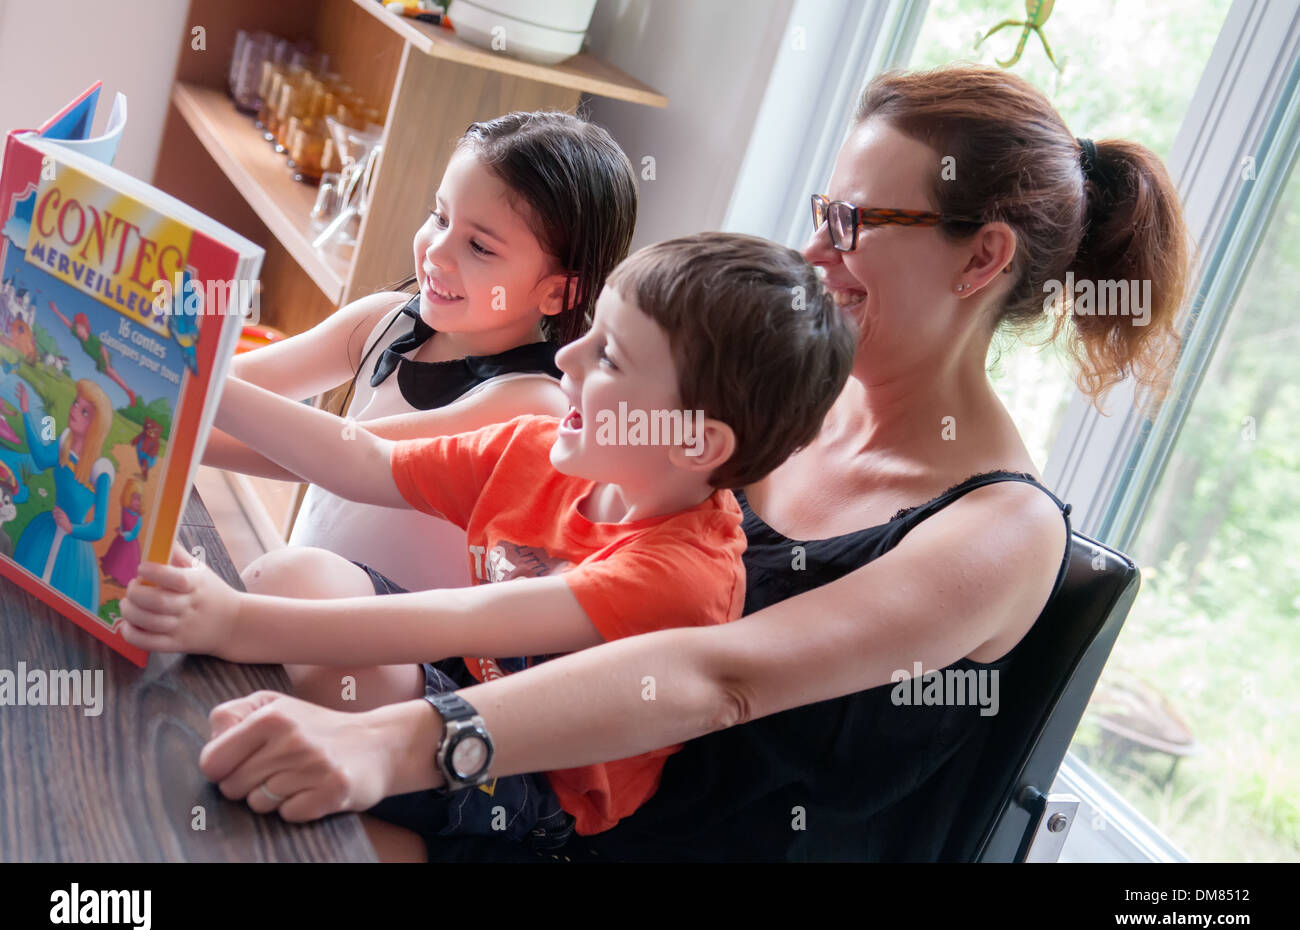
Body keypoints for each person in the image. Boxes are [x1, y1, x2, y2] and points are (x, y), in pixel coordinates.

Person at [191, 63, 1192, 862]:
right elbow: (485, 493)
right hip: (541, 770)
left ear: (981, 260)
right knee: (261, 688)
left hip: (635, 837)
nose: (811, 249)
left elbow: (717, 675)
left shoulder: (1000, 532)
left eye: (852, 222)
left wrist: (390, 742)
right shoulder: (771, 399)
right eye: (819, 207)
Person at [119, 233, 856, 854]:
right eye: (590, 331)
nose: (568, 358)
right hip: (464, 678)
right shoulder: (543, 447)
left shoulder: (683, 575)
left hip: (528, 787)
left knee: (332, 678)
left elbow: (461, 619)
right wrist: (203, 372)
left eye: (610, 359)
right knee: (296, 572)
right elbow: (360, 456)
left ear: (694, 440)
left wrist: (232, 621)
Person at [203, 111, 639, 592]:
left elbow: (336, 456)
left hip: (398, 648)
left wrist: (179, 403)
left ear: (558, 293)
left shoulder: (531, 405)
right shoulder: (384, 320)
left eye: (479, 246)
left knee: (278, 583)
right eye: (441, 217)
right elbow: (236, 377)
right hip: (309, 607)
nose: (437, 251)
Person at [13, 378, 116, 612]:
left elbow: (99, 528)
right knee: (22, 593)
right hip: (45, 531)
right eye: (75, 403)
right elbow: (40, 460)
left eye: (85, 411)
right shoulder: (64, 443)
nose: (74, 411)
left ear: (96, 425)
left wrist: (72, 528)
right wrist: (26, 412)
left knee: (58, 606)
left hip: (73, 547)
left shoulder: (99, 472)